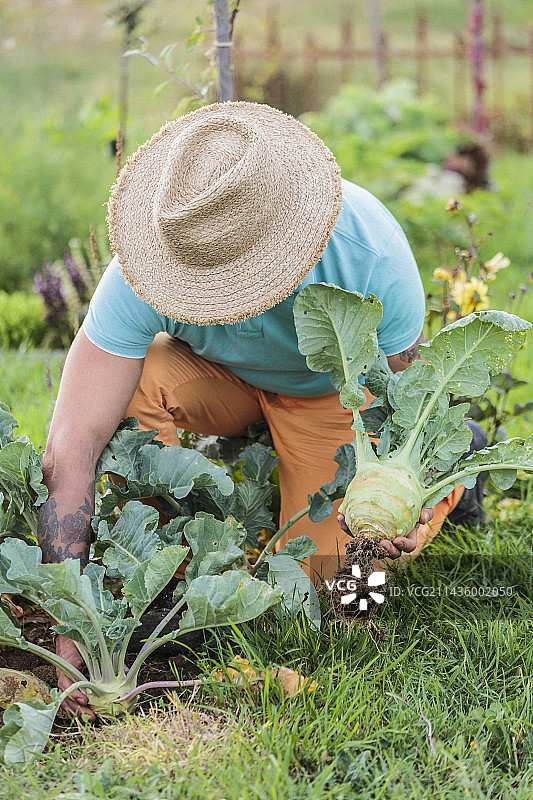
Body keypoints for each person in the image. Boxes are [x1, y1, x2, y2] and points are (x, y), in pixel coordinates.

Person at [38, 101, 474, 719]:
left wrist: (410, 497)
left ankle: (462, 486)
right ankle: (162, 564)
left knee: (334, 595)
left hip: (330, 395)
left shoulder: (370, 253)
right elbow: (71, 447)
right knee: (129, 389)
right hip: (225, 381)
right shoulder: (147, 267)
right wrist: (71, 625)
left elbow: (417, 408)